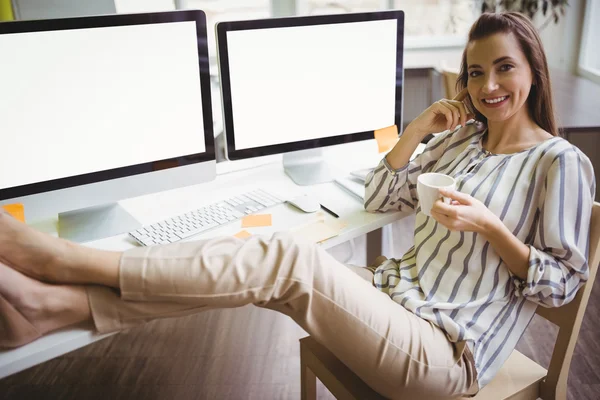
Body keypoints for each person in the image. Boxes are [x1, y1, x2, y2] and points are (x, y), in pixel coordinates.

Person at [0, 11, 595, 399]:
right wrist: (415, 131)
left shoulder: (559, 163)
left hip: (445, 353)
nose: (488, 86)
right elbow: (383, 195)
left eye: (503, 68)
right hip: (395, 300)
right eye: (474, 74)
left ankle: (65, 264)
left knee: (289, 258)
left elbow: (563, 284)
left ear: (533, 73)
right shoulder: (464, 139)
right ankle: (56, 308)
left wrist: (492, 230)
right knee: (259, 268)